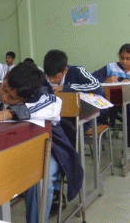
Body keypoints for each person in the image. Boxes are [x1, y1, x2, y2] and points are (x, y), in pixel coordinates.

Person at [0, 62, 83, 223]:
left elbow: (54, 106)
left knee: (39, 178)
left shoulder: (43, 96)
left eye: (12, 98)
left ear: (28, 97)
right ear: (5, 78)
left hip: (46, 150)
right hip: (7, 149)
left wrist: (7, 113)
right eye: (5, 89)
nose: (4, 97)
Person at [44, 49, 104, 216]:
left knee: (65, 142)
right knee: (49, 139)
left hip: (79, 120)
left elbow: (97, 86)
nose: (52, 81)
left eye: (55, 77)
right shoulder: (46, 77)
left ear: (65, 70)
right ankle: (55, 187)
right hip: (56, 122)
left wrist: (66, 88)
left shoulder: (77, 71)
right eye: (49, 77)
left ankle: (60, 181)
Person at [92, 43, 130, 163]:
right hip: (112, 106)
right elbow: (92, 78)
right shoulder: (111, 67)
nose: (124, 61)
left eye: (128, 59)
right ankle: (127, 149)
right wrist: (105, 79)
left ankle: (127, 149)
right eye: (122, 57)